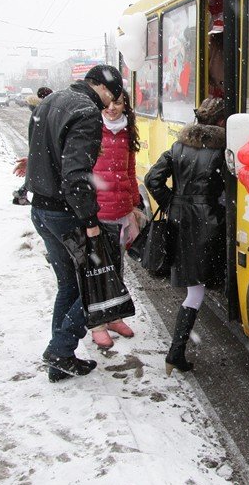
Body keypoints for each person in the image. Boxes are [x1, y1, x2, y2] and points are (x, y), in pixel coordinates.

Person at [26, 64, 123, 382]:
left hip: (41, 209)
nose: (110, 105)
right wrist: (90, 220)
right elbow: (76, 174)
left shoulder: (51, 101)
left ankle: (60, 361)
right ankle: (60, 349)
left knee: (68, 284)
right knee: (94, 285)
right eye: (113, 96)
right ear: (104, 87)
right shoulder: (85, 111)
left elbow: (39, 153)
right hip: (66, 214)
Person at [145, 97, 228, 375]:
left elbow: (152, 179)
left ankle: (176, 353)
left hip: (182, 222)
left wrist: (172, 203)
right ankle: (175, 352)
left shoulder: (178, 146)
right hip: (209, 223)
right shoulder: (222, 150)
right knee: (198, 289)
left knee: (195, 287)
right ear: (220, 122)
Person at [90, 90, 144, 348]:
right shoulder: (90, 128)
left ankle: (114, 316)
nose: (112, 107)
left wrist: (134, 204)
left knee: (117, 268)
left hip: (121, 210)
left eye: (119, 103)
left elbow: (130, 170)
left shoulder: (126, 132)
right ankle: (97, 324)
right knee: (98, 270)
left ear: (126, 106)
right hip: (96, 212)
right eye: (108, 103)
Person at [12, 87, 53, 206]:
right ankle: (21, 192)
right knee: (41, 172)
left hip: (37, 145)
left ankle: (22, 192)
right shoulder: (45, 109)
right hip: (43, 147)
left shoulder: (37, 108)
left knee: (37, 171)